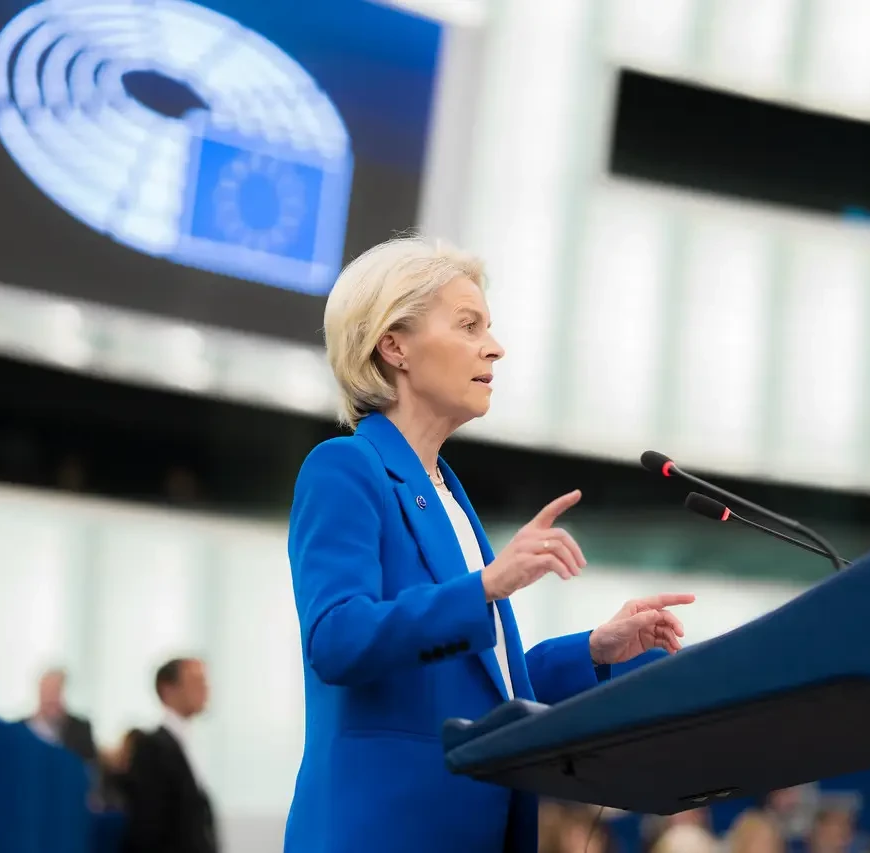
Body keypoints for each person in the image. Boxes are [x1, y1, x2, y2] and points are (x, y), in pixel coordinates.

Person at [284, 237, 696, 853]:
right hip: (383, 832)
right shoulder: (345, 466)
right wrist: (484, 587)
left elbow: (486, 685)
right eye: (468, 325)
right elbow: (336, 639)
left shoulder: (447, 491)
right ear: (394, 346)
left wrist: (594, 650)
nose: (495, 347)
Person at [123, 658, 217, 853]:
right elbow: (149, 826)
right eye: (195, 681)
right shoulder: (152, 748)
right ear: (168, 690)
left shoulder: (192, 744)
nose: (205, 688)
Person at [22, 668, 97, 764]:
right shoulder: (22, 729)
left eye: (55, 691)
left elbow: (89, 766)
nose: (51, 698)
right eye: (47, 691)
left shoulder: (81, 729)